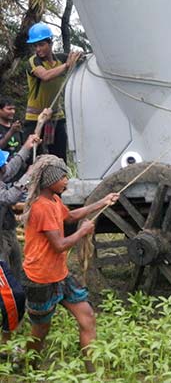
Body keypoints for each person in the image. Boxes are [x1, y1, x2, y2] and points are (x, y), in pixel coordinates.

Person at [21, 155, 118, 371]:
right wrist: (83, 231)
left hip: (60, 274)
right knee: (40, 330)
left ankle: (91, 372)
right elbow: (59, 245)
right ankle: (28, 366)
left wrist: (102, 202)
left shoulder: (54, 200)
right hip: (41, 279)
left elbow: (70, 217)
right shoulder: (41, 207)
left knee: (87, 317)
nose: (67, 181)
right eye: (63, 177)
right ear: (49, 180)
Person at [24, 22, 82, 162]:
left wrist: (78, 57)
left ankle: (60, 182)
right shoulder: (34, 61)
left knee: (59, 157)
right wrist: (67, 65)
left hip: (56, 116)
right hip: (35, 119)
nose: (38, 49)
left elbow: (77, 59)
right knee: (30, 158)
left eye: (41, 44)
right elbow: (45, 76)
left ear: (50, 43)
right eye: (35, 46)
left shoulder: (61, 59)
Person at [0, 133, 41, 279]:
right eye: (4, 162)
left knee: (16, 266)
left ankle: (17, 295)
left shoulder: (2, 173)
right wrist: (28, 175)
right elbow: (8, 197)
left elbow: (12, 166)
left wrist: (27, 146)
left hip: (8, 229)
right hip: (1, 236)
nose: (7, 164)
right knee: (4, 271)